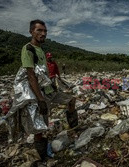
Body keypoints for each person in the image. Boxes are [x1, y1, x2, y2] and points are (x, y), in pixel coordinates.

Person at [19, 19, 78, 161]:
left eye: (45, 31)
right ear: (31, 32)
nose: (43, 33)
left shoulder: (41, 50)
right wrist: (40, 100)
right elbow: (31, 75)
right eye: (39, 30)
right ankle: (43, 157)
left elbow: (45, 74)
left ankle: (74, 128)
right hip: (39, 94)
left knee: (71, 100)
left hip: (49, 90)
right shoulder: (28, 49)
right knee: (40, 127)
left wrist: (54, 84)